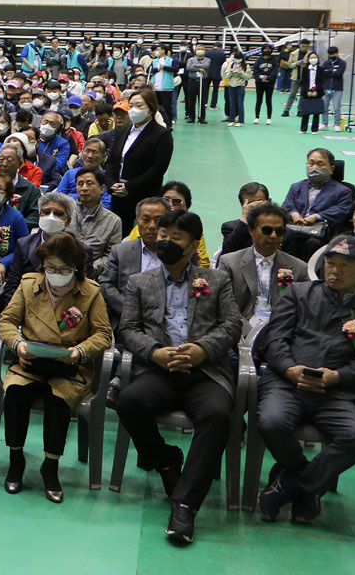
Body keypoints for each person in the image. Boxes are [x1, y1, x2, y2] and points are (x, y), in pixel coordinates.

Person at [113, 210, 243, 544]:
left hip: (204, 371)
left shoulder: (215, 280)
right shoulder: (140, 282)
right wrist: (155, 352)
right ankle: (166, 459)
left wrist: (202, 349)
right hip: (160, 369)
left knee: (216, 415)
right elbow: (127, 328)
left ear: (193, 243)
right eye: (162, 235)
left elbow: (231, 324)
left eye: (175, 237)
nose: (165, 241)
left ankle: (185, 505)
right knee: (128, 402)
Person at [254, 234, 355, 525]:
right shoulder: (298, 293)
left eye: (345, 265)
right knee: (271, 422)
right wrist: (291, 369)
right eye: (330, 263)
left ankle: (293, 485)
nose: (335, 270)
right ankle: (306, 485)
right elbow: (276, 339)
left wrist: (337, 376)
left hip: (335, 393)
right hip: (287, 384)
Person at [0, 231, 112, 503]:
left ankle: (51, 465)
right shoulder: (29, 284)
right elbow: (6, 322)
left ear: (76, 267)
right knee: (15, 393)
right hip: (30, 361)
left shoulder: (90, 292)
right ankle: (16, 459)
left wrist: (79, 351)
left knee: (58, 400)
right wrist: (18, 345)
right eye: (50, 268)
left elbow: (104, 334)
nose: (56, 274)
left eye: (63, 269)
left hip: (69, 365)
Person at [219, 202, 308, 320]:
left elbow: (303, 309)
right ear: (251, 230)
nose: (273, 236)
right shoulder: (229, 263)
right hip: (240, 330)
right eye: (267, 230)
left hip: (280, 331)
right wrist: (249, 334)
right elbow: (227, 308)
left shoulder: (299, 267)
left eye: (279, 231)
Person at [103, 89, 174, 233]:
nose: (134, 110)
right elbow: (111, 161)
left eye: (139, 106)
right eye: (131, 106)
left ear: (151, 108)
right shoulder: (122, 131)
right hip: (118, 194)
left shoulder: (162, 135)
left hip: (144, 194)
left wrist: (129, 187)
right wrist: (111, 184)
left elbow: (158, 168)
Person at [100, 197, 170, 327]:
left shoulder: (180, 253)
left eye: (158, 220)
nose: (152, 226)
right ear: (137, 220)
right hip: (128, 322)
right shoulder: (121, 251)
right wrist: (130, 310)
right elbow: (106, 285)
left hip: (168, 322)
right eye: (146, 220)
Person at [284, 147, 355, 241]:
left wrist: (316, 217)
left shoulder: (343, 191)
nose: (314, 167)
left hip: (321, 233)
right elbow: (287, 205)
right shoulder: (296, 187)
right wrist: (294, 214)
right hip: (294, 227)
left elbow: (341, 210)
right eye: (311, 163)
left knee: (312, 242)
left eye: (320, 164)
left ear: (331, 168)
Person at [71, 167, 123, 267]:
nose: (84, 188)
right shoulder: (66, 213)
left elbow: (111, 256)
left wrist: (87, 270)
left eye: (89, 183)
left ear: (102, 189)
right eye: (80, 184)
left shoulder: (113, 221)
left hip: (93, 275)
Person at [280, 38, 314, 118]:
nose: (304, 48)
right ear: (300, 45)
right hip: (295, 77)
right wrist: (297, 63)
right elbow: (289, 65)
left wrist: (307, 63)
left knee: (303, 94)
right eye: (303, 46)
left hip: (306, 77)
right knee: (292, 94)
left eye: (306, 46)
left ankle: (300, 110)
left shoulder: (311, 54)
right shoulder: (293, 53)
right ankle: (286, 110)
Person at [222, 48, 249, 127]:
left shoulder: (246, 66)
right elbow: (226, 76)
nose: (237, 60)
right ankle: (232, 119)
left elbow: (248, 77)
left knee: (240, 103)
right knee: (232, 104)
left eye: (238, 58)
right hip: (232, 85)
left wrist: (241, 73)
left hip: (240, 86)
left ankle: (240, 120)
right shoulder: (231, 65)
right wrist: (231, 72)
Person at [253, 47, 278, 124]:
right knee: (259, 100)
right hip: (260, 83)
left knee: (268, 100)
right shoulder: (258, 60)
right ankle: (257, 117)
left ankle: (269, 118)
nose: (267, 51)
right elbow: (255, 71)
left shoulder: (274, 60)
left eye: (268, 50)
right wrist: (260, 78)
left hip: (270, 83)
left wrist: (268, 78)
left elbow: (275, 72)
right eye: (265, 50)